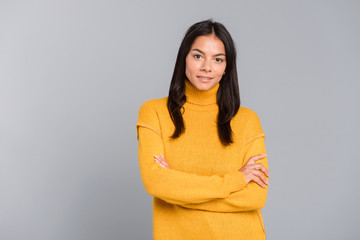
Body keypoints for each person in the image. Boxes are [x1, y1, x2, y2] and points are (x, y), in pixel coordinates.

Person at [136, 19, 269, 240]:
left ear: (227, 67)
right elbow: (156, 182)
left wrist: (180, 190)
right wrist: (236, 180)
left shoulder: (247, 120)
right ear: (184, 58)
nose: (207, 67)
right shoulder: (154, 112)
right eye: (198, 56)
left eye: (218, 59)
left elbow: (256, 197)